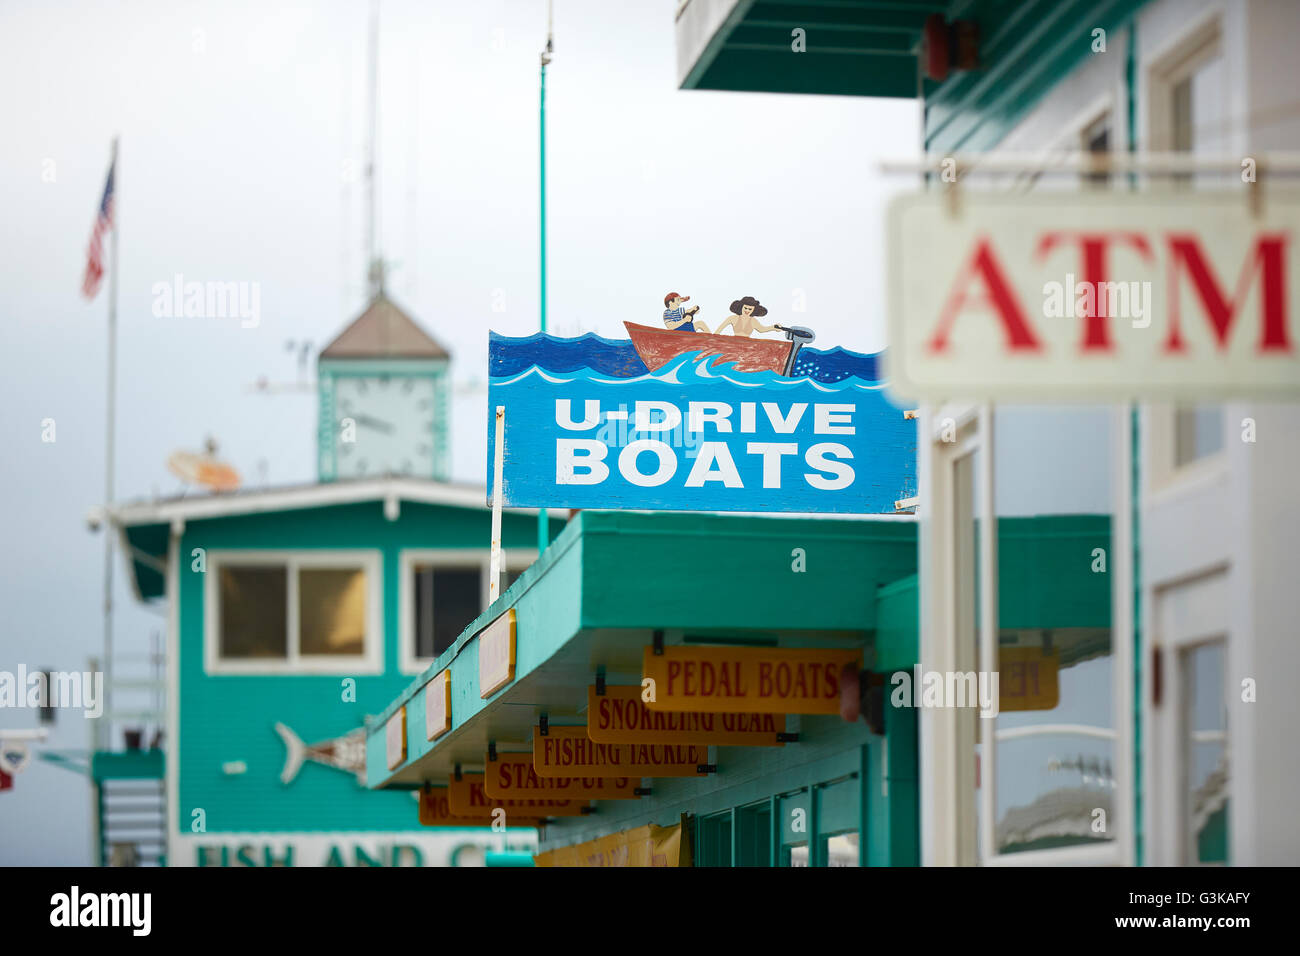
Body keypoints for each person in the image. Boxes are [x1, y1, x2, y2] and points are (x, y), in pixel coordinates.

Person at [715, 296, 779, 337]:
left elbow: (762, 329)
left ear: (753, 310)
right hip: (733, 344)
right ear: (741, 307)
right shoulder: (733, 318)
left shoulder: (753, 321)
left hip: (747, 347)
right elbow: (718, 330)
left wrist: (774, 327)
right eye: (745, 308)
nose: (747, 310)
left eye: (750, 309)